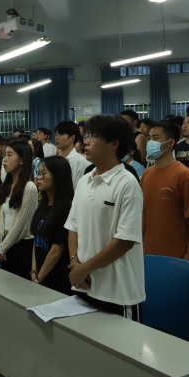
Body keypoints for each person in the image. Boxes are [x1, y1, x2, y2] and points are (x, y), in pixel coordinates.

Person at [66, 114, 145, 319]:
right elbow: (73, 227)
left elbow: (125, 240)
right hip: (85, 285)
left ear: (114, 143)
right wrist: (76, 263)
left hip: (117, 291)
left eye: (94, 136)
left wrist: (84, 268)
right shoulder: (84, 181)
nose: (86, 141)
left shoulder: (127, 183)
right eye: (86, 136)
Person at [140, 121, 189, 262]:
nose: (150, 142)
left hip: (177, 254)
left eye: (156, 138)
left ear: (170, 143)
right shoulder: (146, 174)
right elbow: (144, 213)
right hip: (148, 251)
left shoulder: (184, 175)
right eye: (149, 138)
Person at [0, 140, 39, 278]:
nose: (5, 159)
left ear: (22, 160)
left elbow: (21, 226)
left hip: (22, 246)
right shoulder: (7, 185)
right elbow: (1, 221)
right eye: (4, 155)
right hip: (6, 245)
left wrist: (2, 248)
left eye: (9, 155)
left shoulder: (29, 188)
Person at [31, 156, 74, 294]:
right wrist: (34, 271)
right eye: (38, 172)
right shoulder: (43, 204)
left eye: (44, 173)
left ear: (58, 176)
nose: (38, 177)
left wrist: (39, 278)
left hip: (56, 278)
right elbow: (36, 240)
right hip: (40, 275)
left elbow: (56, 250)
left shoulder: (66, 207)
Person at [55, 120, 90, 189]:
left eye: (60, 134)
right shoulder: (56, 160)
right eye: (56, 134)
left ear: (72, 138)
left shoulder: (81, 162)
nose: (56, 138)